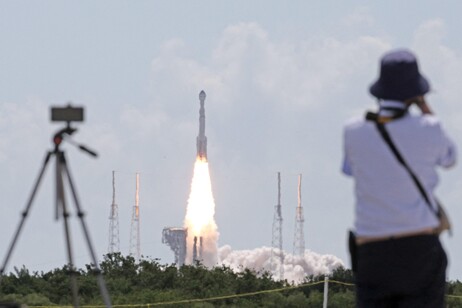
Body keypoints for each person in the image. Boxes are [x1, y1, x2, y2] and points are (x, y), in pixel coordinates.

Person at [342, 49, 457, 307]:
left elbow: (350, 169)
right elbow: (450, 159)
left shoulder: (354, 130)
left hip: (372, 251)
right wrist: (426, 107)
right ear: (417, 92)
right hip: (419, 247)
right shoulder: (430, 128)